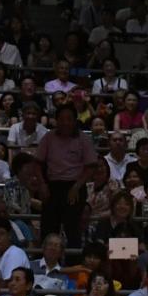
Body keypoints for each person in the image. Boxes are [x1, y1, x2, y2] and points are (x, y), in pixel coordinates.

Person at [35, 104, 98, 248]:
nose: (65, 122)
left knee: (72, 229)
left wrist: (76, 186)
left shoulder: (83, 139)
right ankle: (48, 264)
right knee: (48, 228)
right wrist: (42, 184)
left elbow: (91, 167)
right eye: (62, 119)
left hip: (75, 186)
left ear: (75, 120)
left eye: (69, 119)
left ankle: (73, 264)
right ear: (56, 120)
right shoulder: (49, 137)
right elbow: (38, 163)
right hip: (52, 186)